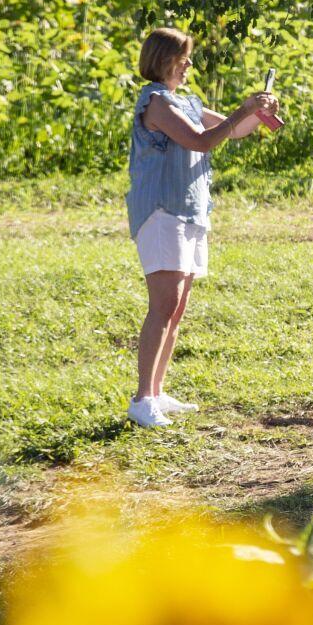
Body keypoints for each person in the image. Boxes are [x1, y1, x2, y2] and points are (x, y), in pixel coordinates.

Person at [125, 28, 277, 429]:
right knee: (162, 305)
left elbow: (235, 129)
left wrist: (257, 112)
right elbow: (200, 141)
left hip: (189, 212)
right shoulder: (156, 103)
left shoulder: (186, 102)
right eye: (184, 57)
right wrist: (242, 112)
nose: (189, 64)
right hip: (161, 212)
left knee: (175, 310)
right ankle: (142, 400)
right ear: (163, 61)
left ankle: (156, 393)